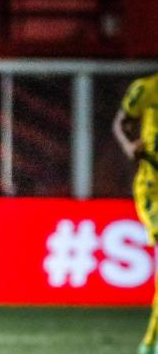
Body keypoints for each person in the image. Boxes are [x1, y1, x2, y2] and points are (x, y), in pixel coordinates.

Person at [113, 72, 158, 354]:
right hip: (153, 190)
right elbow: (121, 122)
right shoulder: (146, 89)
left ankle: (150, 343)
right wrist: (129, 145)